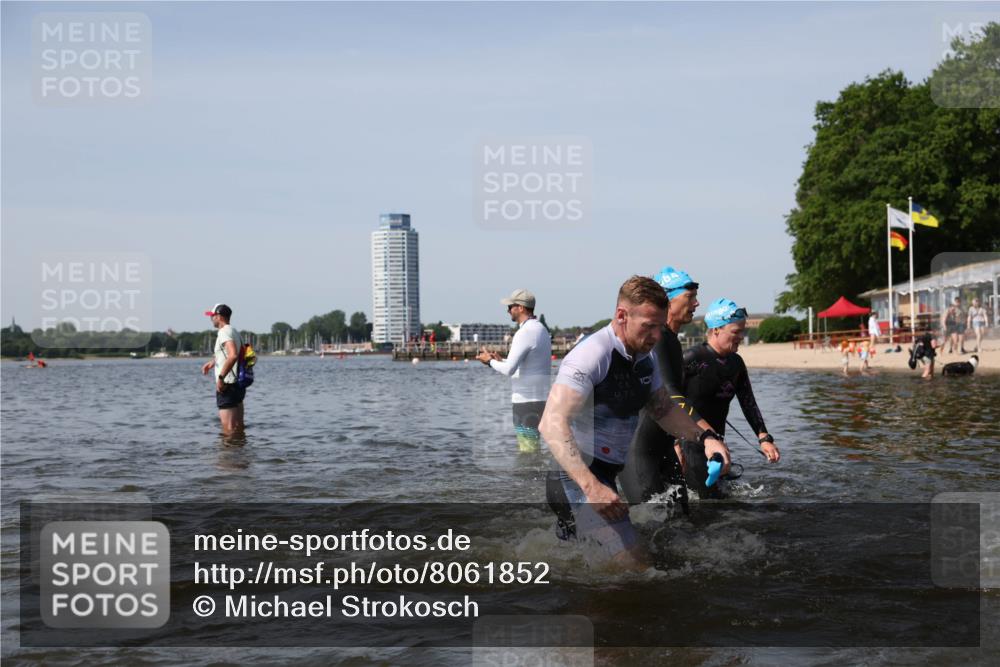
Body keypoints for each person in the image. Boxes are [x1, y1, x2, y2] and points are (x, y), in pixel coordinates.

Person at [539, 276, 728, 569]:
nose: (656, 336)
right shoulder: (592, 355)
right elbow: (550, 424)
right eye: (648, 326)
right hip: (576, 479)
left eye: (660, 326)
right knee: (638, 567)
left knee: (587, 568)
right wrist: (592, 488)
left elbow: (664, 410)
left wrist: (706, 438)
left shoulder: (644, 358)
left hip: (605, 475)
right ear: (622, 316)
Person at [620, 266, 714, 507]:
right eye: (689, 297)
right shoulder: (658, 338)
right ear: (667, 301)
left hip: (663, 449)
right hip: (639, 452)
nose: (696, 303)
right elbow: (670, 394)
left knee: (683, 522)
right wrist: (708, 436)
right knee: (650, 525)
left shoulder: (669, 338)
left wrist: (677, 441)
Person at [680, 299, 779, 498]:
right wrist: (675, 444)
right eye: (736, 331)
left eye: (742, 331)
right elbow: (670, 401)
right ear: (716, 329)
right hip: (688, 444)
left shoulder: (736, 363)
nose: (741, 336)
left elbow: (748, 402)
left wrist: (764, 438)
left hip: (717, 445)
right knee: (707, 503)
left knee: (720, 501)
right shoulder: (692, 358)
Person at [476, 289, 552, 453]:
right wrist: (500, 361)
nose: (508, 310)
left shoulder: (524, 332)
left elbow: (509, 370)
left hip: (525, 402)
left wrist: (489, 361)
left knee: (528, 451)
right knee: (534, 449)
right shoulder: (541, 329)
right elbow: (528, 365)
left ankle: (530, 471)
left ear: (521, 308)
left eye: (510, 306)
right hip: (541, 400)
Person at [201, 303, 245, 435]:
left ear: (219, 316)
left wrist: (221, 378)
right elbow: (233, 354)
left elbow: (233, 355)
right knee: (238, 427)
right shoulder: (234, 331)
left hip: (227, 384)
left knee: (228, 429)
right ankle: (240, 448)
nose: (211, 319)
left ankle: (228, 449)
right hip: (238, 384)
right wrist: (213, 362)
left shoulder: (223, 332)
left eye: (212, 316)